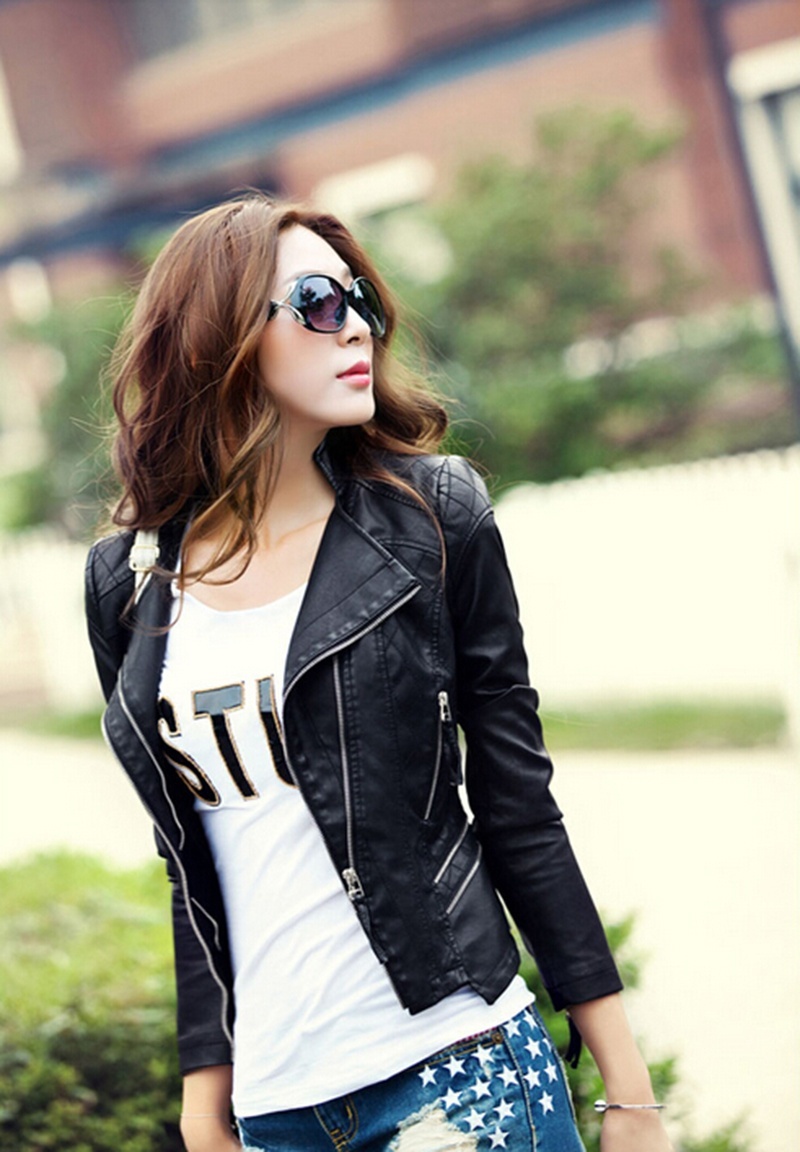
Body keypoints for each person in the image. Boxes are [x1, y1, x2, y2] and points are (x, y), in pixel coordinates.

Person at [85, 193, 672, 1152]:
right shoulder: (129, 582)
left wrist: (630, 1095)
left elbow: (520, 810)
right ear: (217, 337)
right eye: (317, 303)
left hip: (462, 1072)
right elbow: (192, 865)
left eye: (358, 299)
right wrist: (204, 1104)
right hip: (278, 1108)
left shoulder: (433, 520)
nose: (356, 324)